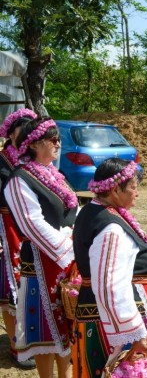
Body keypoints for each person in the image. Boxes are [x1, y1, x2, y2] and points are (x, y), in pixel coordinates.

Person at [72, 159, 147, 377]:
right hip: (115, 318)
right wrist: (133, 333)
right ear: (114, 189)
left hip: (104, 313)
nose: (137, 193)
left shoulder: (97, 211)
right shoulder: (110, 227)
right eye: (133, 187)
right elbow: (109, 285)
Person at [4, 117, 78, 378]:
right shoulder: (19, 180)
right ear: (34, 144)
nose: (58, 144)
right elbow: (31, 224)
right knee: (47, 331)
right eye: (53, 139)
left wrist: (76, 235)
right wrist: (68, 241)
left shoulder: (55, 174)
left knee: (68, 326)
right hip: (40, 261)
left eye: (59, 139)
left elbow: (72, 209)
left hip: (67, 261)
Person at [0, 108, 37, 370]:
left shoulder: (35, 161)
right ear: (11, 133)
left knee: (34, 284)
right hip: (7, 230)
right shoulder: (1, 162)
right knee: (11, 290)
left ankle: (33, 338)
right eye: (21, 130)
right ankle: (17, 344)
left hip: (32, 230)